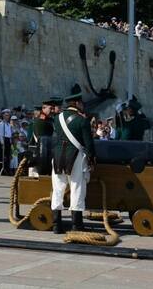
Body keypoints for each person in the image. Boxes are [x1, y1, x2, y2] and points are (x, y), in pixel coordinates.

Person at [51, 90, 96, 233]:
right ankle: (76, 225)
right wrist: (92, 160)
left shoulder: (57, 118)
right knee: (77, 188)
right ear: (76, 104)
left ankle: (56, 224)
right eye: (81, 103)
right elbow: (89, 145)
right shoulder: (82, 121)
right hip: (75, 156)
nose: (83, 105)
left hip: (58, 156)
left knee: (58, 189)